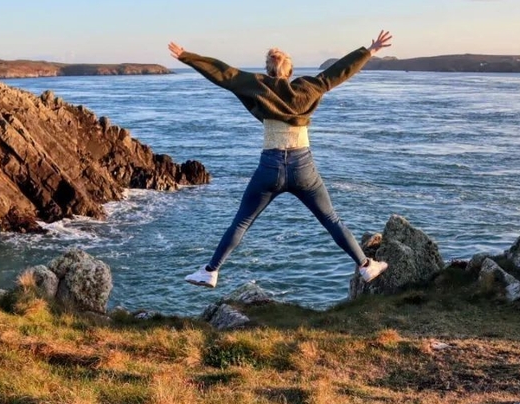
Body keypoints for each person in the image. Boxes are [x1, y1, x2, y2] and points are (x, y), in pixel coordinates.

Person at [168, 30, 393, 288]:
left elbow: (224, 74)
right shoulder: (309, 87)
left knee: (242, 222)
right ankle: (366, 266)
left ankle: (210, 271)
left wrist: (188, 57)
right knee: (332, 220)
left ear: (268, 70)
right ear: (290, 70)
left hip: (270, 168)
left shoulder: (258, 85)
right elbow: (339, 71)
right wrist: (370, 50)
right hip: (303, 167)